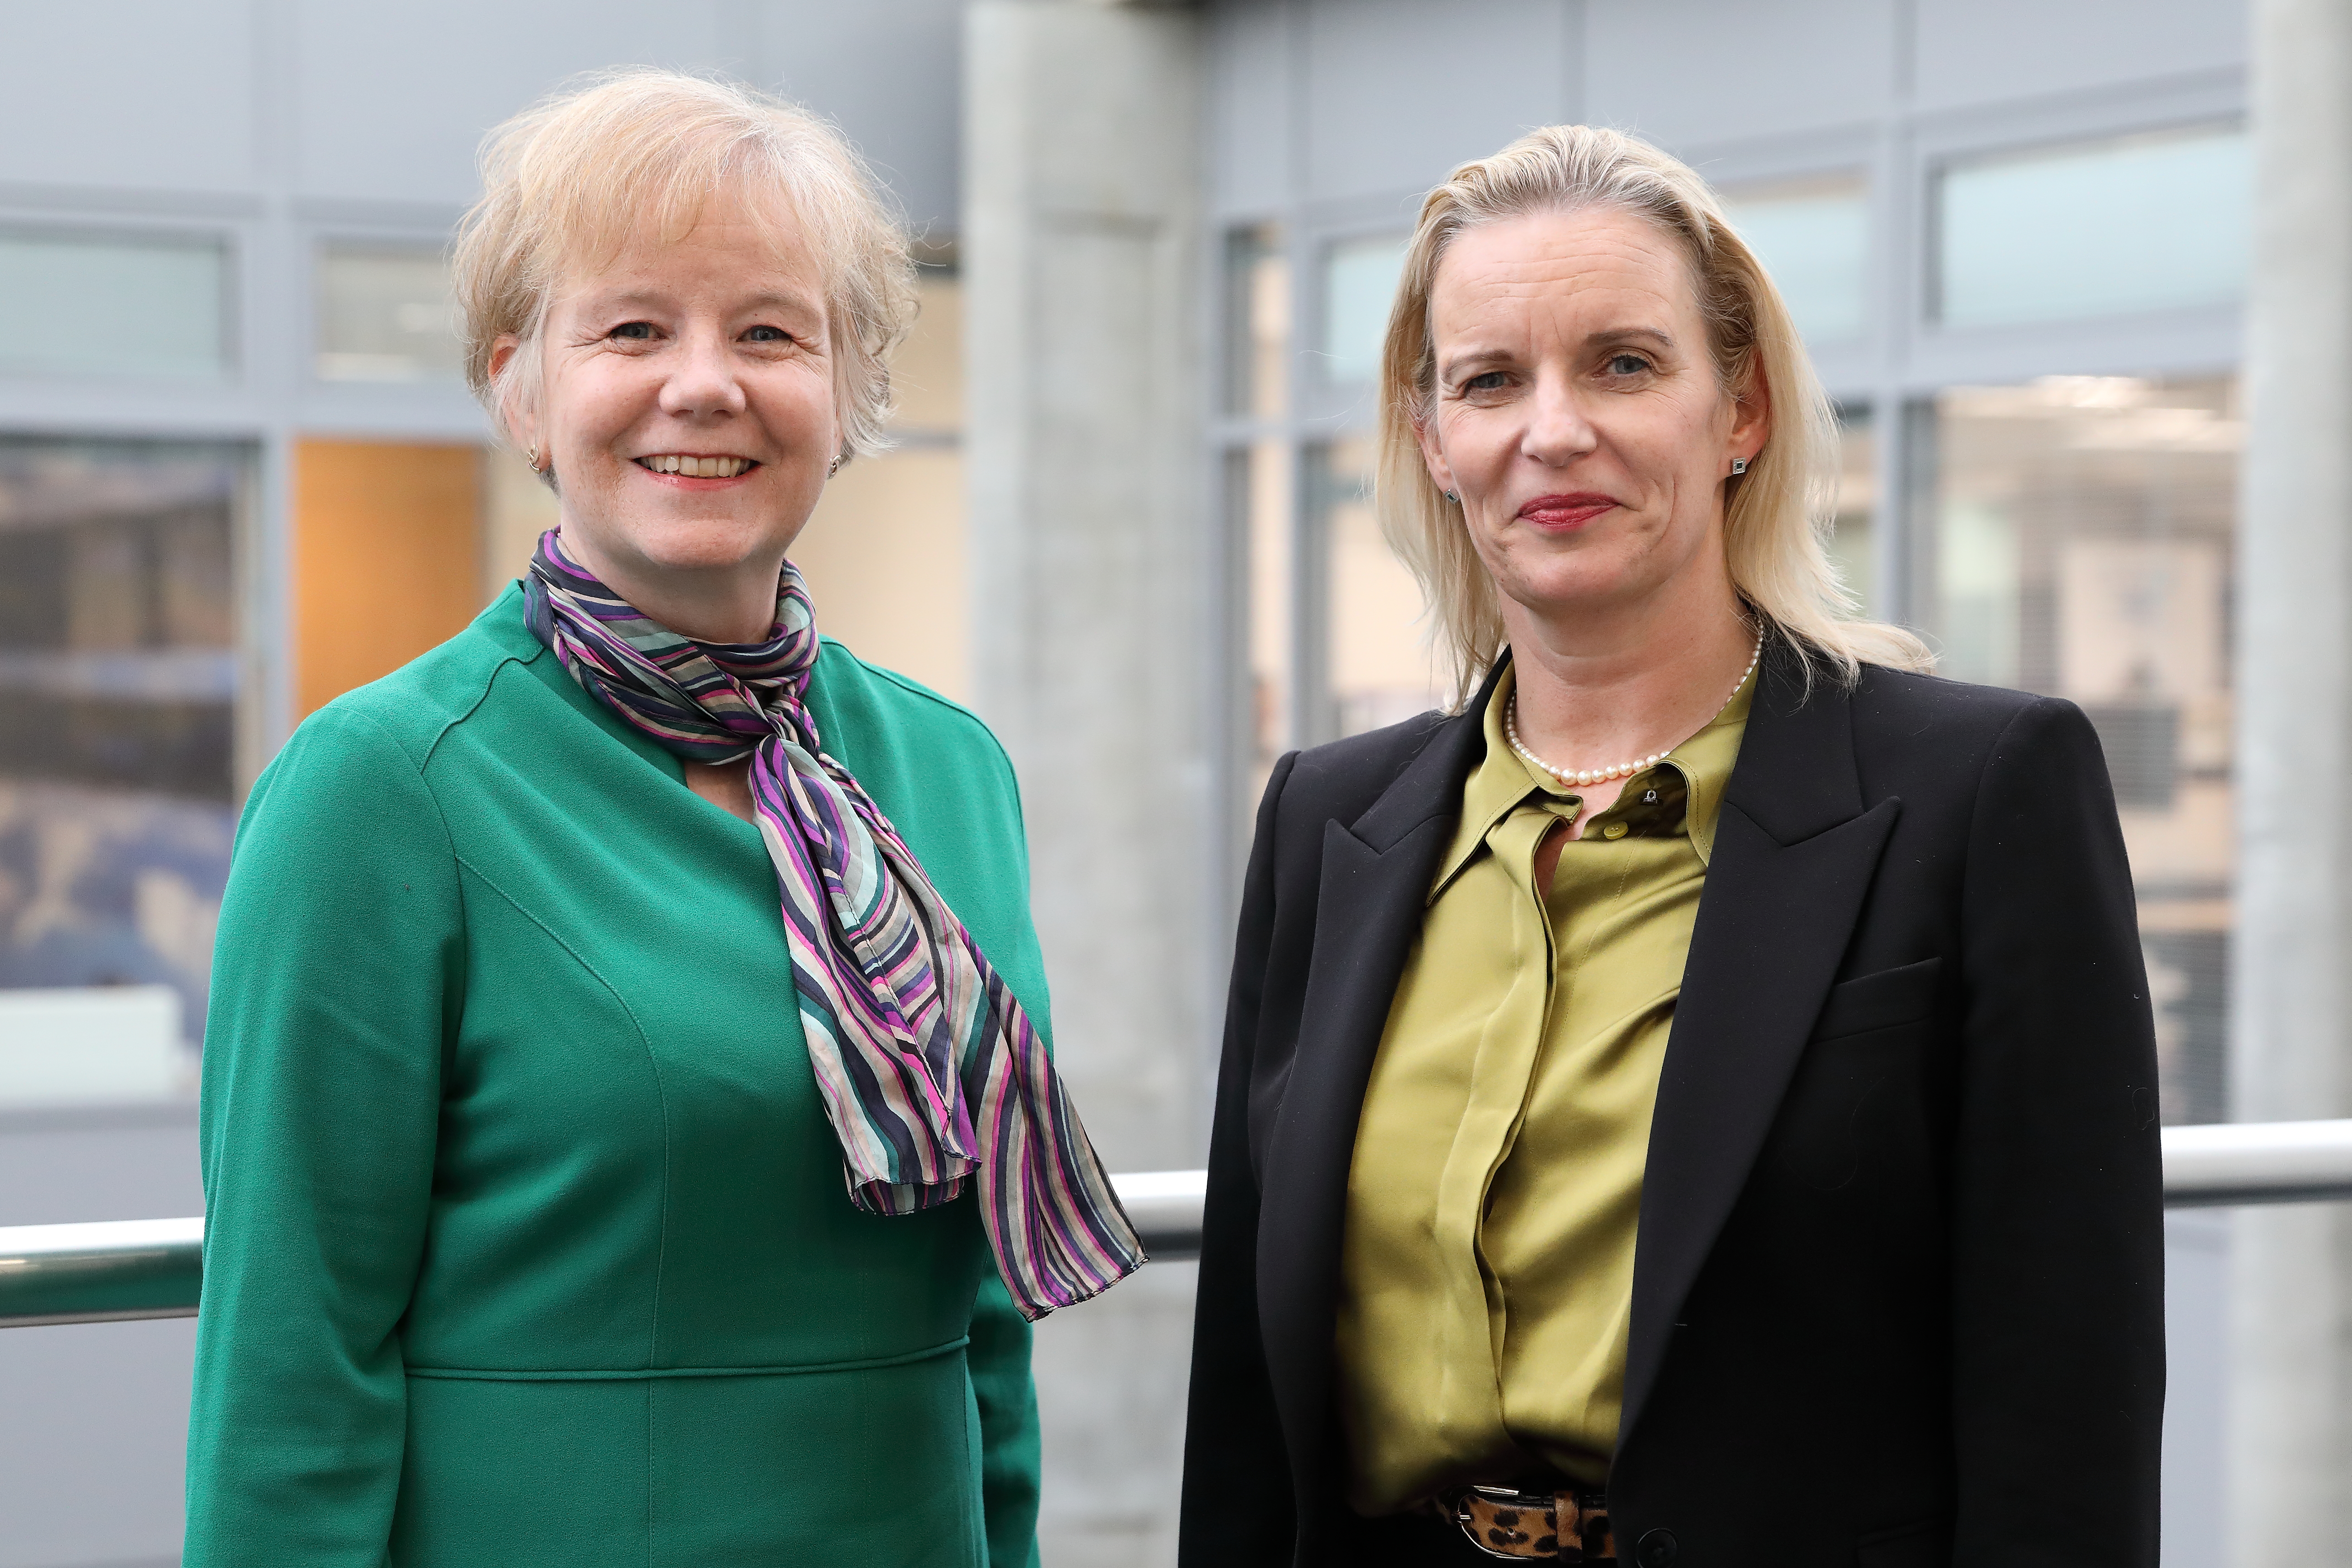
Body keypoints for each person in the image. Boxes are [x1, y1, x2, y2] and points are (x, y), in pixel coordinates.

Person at [184, 69, 1141, 1568]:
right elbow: (291, 1372)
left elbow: (984, 1326)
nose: (705, 382)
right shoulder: (382, 789)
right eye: (632, 328)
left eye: (769, 331)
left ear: (848, 394)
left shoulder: (950, 768)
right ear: (519, 385)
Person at [1180, 125, 2163, 1568]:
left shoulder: (1980, 791)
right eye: (1489, 380)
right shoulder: (1329, 819)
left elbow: (2062, 1396)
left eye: (1623, 364)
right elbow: (1247, 1400)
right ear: (1431, 439)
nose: (1551, 430)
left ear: (1742, 409)